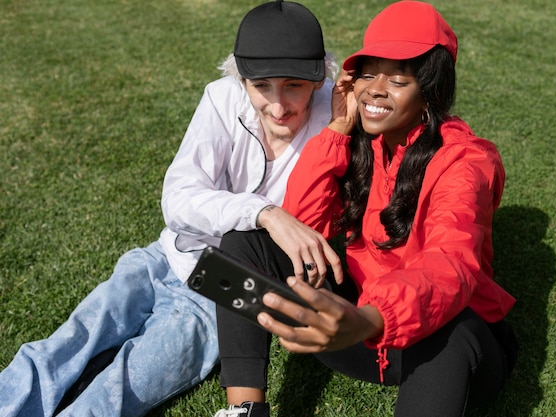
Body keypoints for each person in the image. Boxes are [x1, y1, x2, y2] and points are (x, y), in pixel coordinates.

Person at [0, 1, 337, 416]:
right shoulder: (221, 98)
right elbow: (178, 197)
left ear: (319, 79)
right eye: (261, 85)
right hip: (163, 259)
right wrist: (266, 212)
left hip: (222, 298)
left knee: (115, 392)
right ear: (241, 78)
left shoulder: (335, 127)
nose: (278, 104)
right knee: (63, 345)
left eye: (294, 86)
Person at [213, 1, 519, 416]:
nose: (376, 89)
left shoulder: (465, 162)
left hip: (439, 349)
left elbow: (451, 266)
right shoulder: (364, 144)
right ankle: (245, 409)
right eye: (369, 74)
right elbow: (303, 225)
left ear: (430, 90)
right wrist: (338, 128)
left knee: (453, 331)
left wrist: (372, 318)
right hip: (361, 331)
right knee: (243, 244)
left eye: (397, 79)